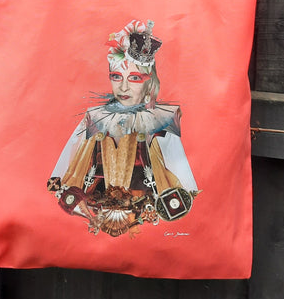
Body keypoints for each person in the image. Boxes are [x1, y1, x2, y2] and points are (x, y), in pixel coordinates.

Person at [47, 19, 199, 237]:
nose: (124, 87)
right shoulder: (96, 117)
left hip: (145, 208)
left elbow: (178, 170)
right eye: (116, 77)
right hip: (96, 206)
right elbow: (70, 163)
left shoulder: (161, 119)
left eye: (134, 78)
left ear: (149, 82)